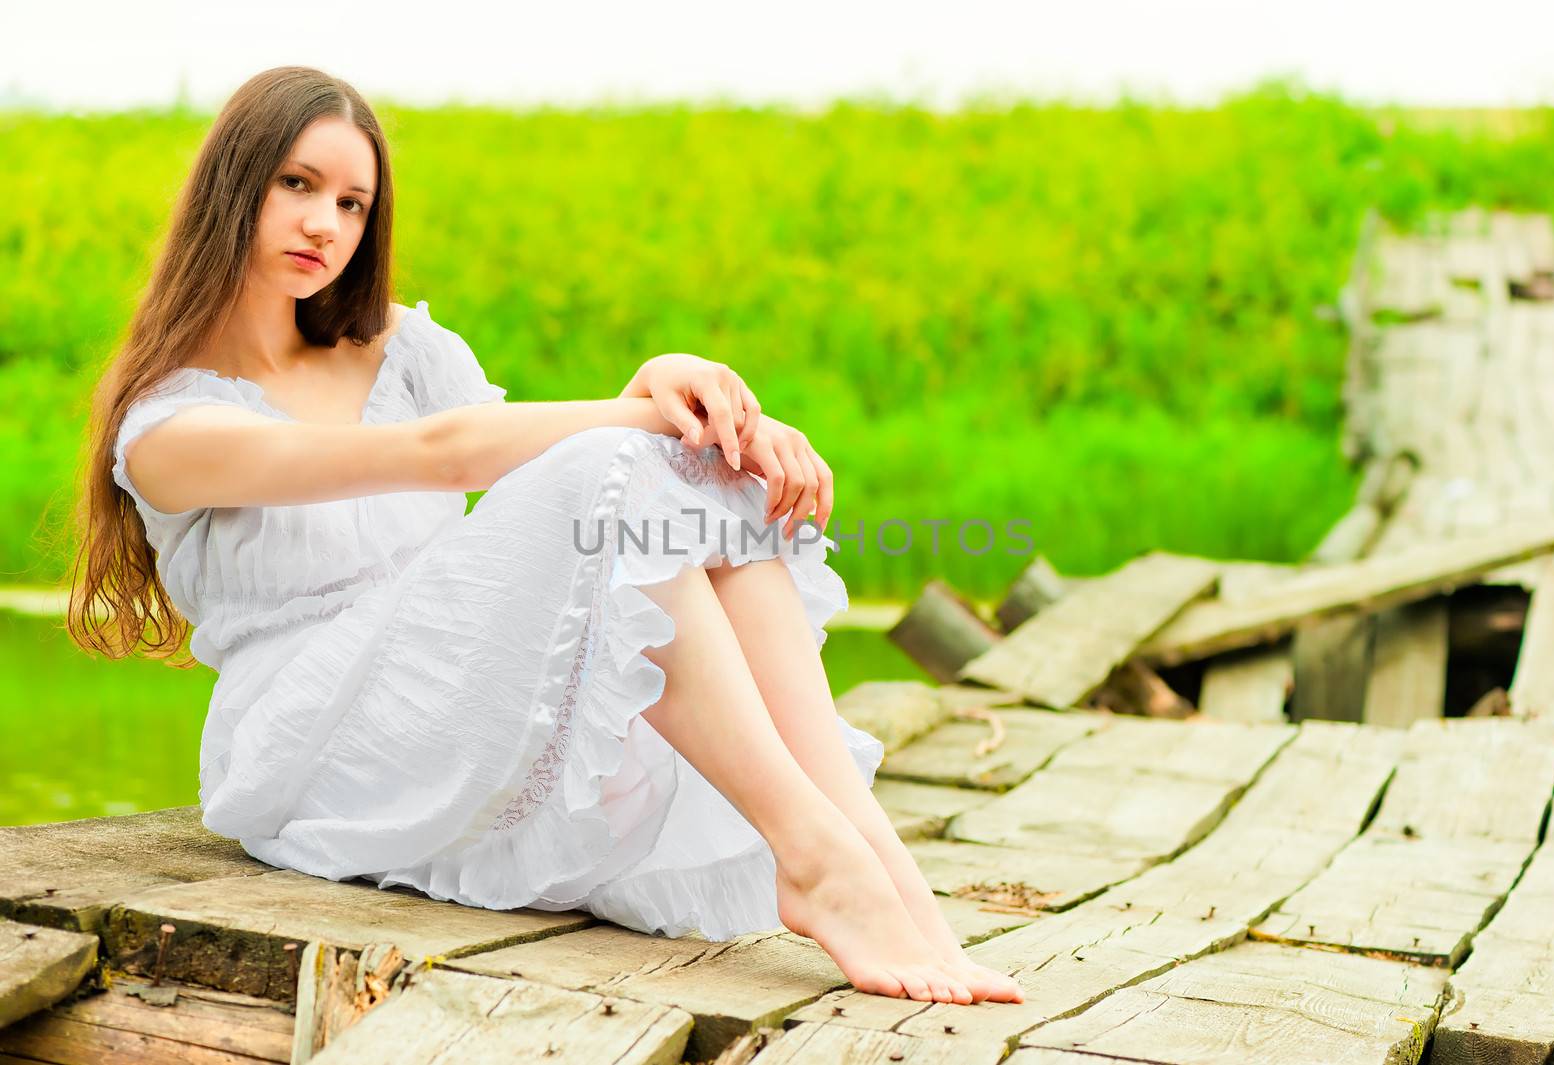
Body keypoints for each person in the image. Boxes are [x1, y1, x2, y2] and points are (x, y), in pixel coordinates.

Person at [67, 65, 1022, 1006]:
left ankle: (865, 847)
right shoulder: (170, 429)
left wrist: (675, 395)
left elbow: (540, 467)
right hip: (317, 736)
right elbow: (452, 456)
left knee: (691, 472)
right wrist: (646, 406)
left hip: (451, 686)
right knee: (622, 465)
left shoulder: (402, 348)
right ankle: (812, 856)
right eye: (298, 185)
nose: (327, 224)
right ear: (236, 186)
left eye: (355, 204)